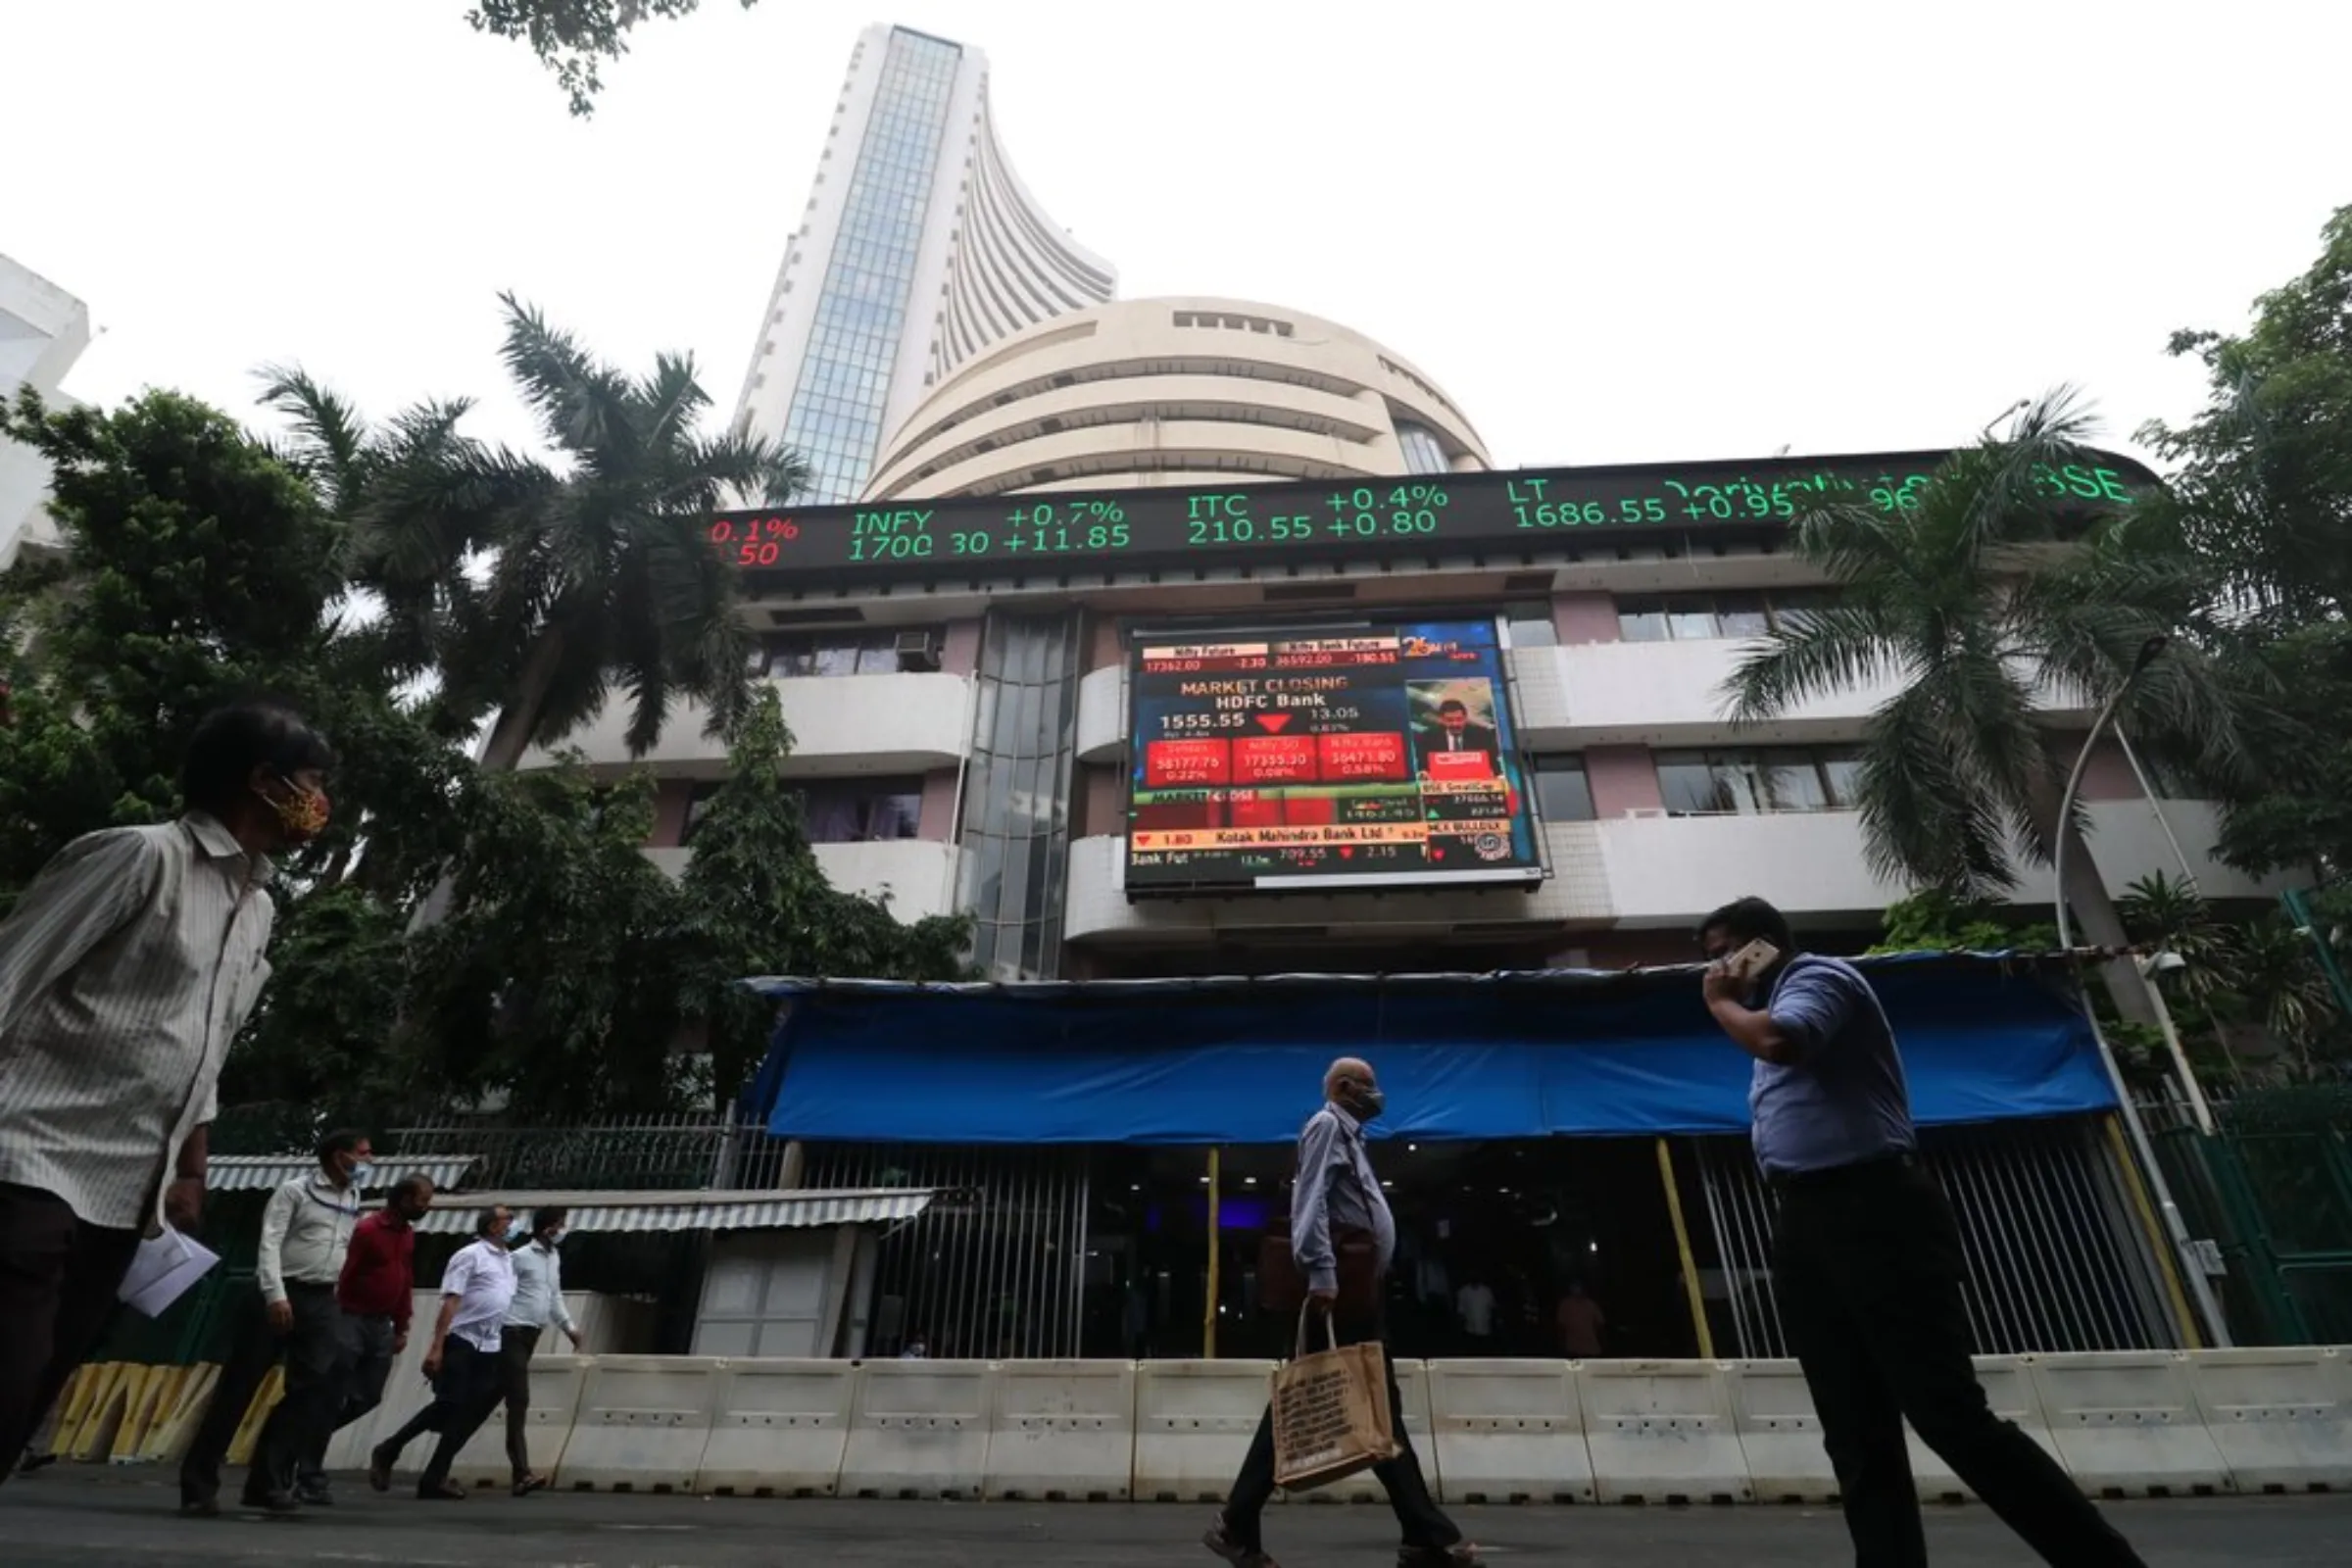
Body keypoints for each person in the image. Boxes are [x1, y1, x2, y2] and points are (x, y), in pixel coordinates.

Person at [1699, 897, 2146, 1568]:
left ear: (1763, 945)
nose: (1719, 965)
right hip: (1807, 1215)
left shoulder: (1820, 979)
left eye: (1726, 949)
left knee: (1948, 1415)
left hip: (1874, 1208)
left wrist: (1719, 1004)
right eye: (1711, 955)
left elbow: (1781, 1041)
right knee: (1854, 1429)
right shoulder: (1768, 1006)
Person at [0, 701, 331, 1482]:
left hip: (125, 1198)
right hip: (27, 1160)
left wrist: (190, 1167)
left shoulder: (257, 909)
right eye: (313, 783)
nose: (322, 805)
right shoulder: (137, 858)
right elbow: (10, 974)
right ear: (263, 781)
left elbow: (204, 1047)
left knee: (29, 1399)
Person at [1203, 1057, 1481, 1568]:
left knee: (1374, 1409)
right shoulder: (1328, 1125)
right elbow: (1311, 1204)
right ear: (1345, 1087)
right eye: (1370, 1085)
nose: (1378, 1094)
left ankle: (1423, 1537)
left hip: (1356, 1293)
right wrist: (1323, 1274)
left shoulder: (1352, 1138)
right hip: (1337, 1294)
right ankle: (1237, 1523)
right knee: (1318, 1403)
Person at [180, 1128, 371, 1516]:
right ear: (340, 1156)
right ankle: (199, 1485)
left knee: (310, 1390)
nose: (368, 1162)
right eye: (363, 1154)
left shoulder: (353, 1195)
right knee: (238, 1389)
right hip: (279, 1294)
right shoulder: (295, 1190)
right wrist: (275, 1294)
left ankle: (266, 1482)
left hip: (321, 1300)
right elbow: (269, 1242)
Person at [297, 1173, 435, 1499]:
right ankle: (308, 1472)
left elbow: (404, 1278)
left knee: (368, 1395)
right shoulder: (368, 1230)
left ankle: (303, 1439)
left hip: (381, 1325)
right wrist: (334, 1317)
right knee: (332, 1392)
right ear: (403, 1199)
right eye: (422, 1200)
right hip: (349, 1319)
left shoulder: (406, 1235)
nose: (426, 1206)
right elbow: (343, 1273)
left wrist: (402, 1324)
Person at [369, 1205, 517, 1500]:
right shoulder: (470, 1255)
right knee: (449, 1404)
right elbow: (451, 1301)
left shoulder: (508, 1260)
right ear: (492, 1226)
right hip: (462, 1338)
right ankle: (390, 1448)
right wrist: (437, 1346)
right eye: (507, 1219)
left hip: (490, 1344)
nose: (513, 1224)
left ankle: (435, 1477)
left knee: (467, 1414)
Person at [500, 1205, 583, 1497]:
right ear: (547, 1227)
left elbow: (553, 1296)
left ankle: (397, 1449)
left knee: (483, 1400)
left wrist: (569, 1327)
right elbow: (499, 1293)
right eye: (560, 1224)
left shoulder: (553, 1258)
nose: (563, 1230)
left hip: (531, 1334)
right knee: (519, 1400)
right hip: (511, 1332)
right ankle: (521, 1473)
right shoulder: (519, 1258)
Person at [1412, 698, 1498, 769]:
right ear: (1442, 720)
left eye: (1459, 719)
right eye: (1449, 720)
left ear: (1465, 718)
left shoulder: (1482, 735)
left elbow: (1493, 763)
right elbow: (1423, 766)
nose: (1455, 724)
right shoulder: (1428, 737)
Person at [1556, 1281, 1605, 1359]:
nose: (1577, 1290)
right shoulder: (1566, 1304)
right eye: (1574, 1288)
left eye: (1578, 1288)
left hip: (1591, 1348)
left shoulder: (1591, 1304)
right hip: (1572, 1348)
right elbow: (1561, 1326)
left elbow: (1600, 1324)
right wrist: (1561, 1345)